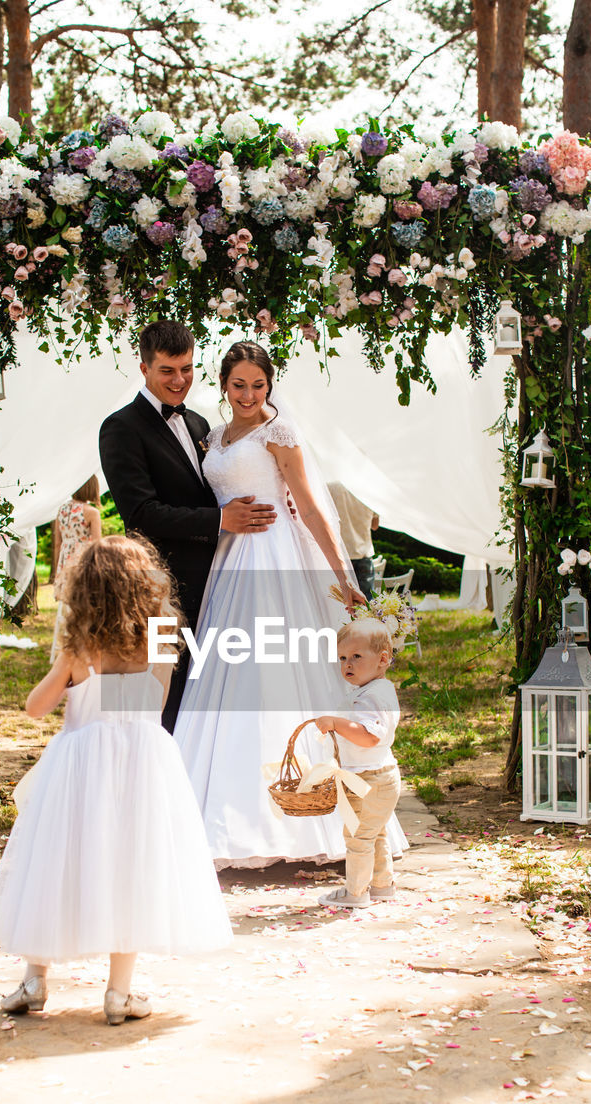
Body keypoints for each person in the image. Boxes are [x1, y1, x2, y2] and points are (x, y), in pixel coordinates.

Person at [0, 535, 233, 1024]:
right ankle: (119, 994)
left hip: (79, 765)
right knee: (132, 868)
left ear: (85, 591)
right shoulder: (159, 634)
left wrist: (71, 672)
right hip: (142, 760)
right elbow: (154, 705)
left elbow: (35, 708)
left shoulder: (81, 648)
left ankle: (34, 979)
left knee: (55, 863)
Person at [173, 341, 368, 869]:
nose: (249, 395)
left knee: (272, 670)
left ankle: (302, 813)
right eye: (239, 385)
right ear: (223, 384)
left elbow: (306, 503)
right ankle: (224, 810)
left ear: (269, 385)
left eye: (259, 385)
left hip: (273, 558)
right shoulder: (212, 436)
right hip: (229, 561)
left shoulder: (279, 434)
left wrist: (342, 573)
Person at [98, 320, 279, 731]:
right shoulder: (120, 428)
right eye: (167, 371)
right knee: (162, 693)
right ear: (143, 368)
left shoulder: (200, 425)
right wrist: (220, 519)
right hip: (161, 585)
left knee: (205, 694)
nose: (180, 380)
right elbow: (140, 512)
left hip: (218, 582)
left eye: (187, 368)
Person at [315, 618, 402, 908]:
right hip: (380, 775)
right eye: (342, 658)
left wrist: (336, 724)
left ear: (383, 659)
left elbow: (368, 737)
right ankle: (381, 884)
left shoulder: (371, 697)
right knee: (375, 833)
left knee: (357, 838)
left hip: (367, 780)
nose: (347, 664)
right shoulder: (377, 690)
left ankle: (356, 892)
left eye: (356, 656)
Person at [50, 476, 102, 662]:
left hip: (65, 561)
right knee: (86, 607)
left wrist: (59, 568)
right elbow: (97, 544)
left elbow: (57, 543)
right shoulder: (91, 512)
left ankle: (63, 649)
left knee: (67, 609)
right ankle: (83, 648)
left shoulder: (62, 510)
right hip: (83, 562)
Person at [328, 481, 380, 599]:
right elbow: (375, 525)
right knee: (365, 605)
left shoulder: (332, 486)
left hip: (339, 555)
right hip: (363, 556)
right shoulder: (370, 491)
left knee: (340, 605)